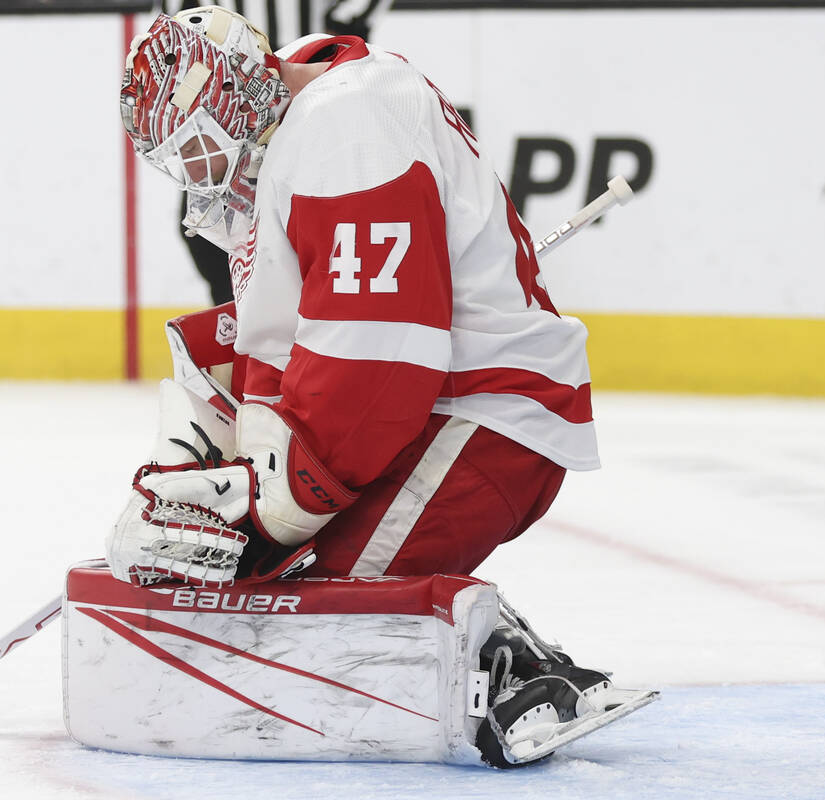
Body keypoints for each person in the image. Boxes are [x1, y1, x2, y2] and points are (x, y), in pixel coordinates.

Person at [109, 7, 652, 767]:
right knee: (280, 577)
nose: (201, 170)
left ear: (236, 100)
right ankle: (494, 641)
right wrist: (242, 470)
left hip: (484, 414)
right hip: (429, 409)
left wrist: (273, 511)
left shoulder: (344, 130)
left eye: (202, 143)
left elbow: (378, 362)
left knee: (315, 610)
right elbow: (284, 341)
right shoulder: (291, 120)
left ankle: (508, 672)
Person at [158, 0, 393, 304]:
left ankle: (313, 326)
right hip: (225, 109)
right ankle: (245, 336)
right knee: (212, 232)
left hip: (306, 92)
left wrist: (342, 27)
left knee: (315, 223)